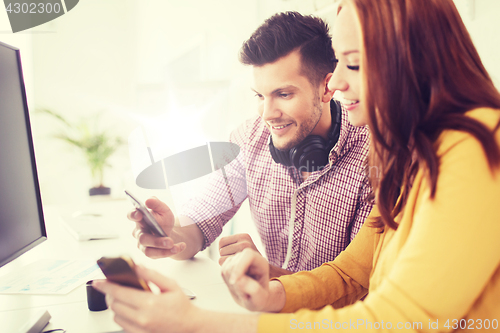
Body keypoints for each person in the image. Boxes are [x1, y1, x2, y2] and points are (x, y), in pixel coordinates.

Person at [94, 0, 500, 332]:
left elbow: (394, 320)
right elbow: (352, 276)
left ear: (414, 60)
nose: (338, 81)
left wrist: (197, 323)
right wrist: (275, 292)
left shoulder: (474, 147)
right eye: (340, 62)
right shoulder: (406, 151)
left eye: (353, 63)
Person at [130, 11, 372, 277]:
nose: (267, 114)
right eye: (260, 95)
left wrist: (268, 274)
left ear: (327, 88)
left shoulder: (374, 157)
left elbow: (359, 287)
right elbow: (198, 227)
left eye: (283, 94)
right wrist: (169, 235)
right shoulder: (249, 138)